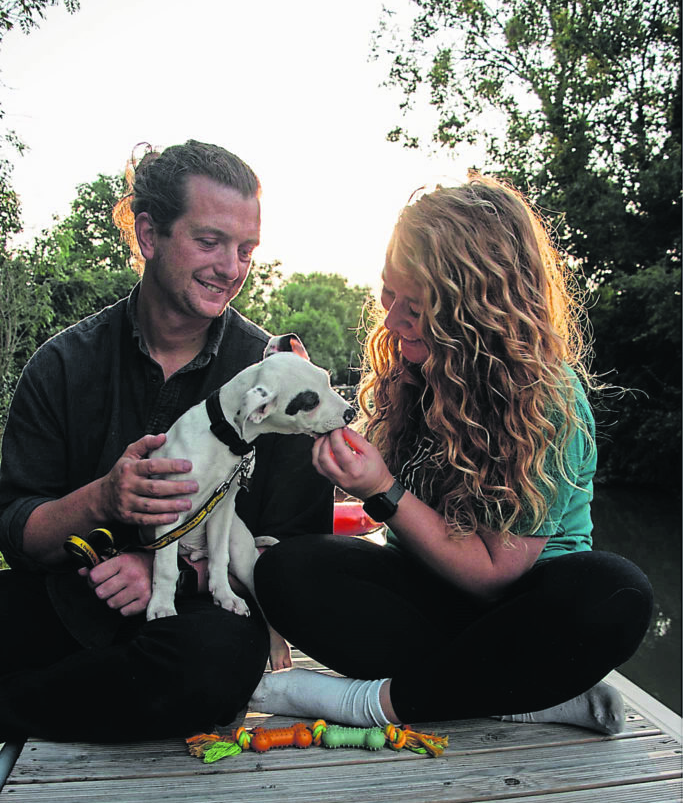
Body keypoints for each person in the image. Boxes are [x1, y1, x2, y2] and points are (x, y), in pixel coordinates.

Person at [251, 175, 654, 735]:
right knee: (287, 571)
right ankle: (518, 697)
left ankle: (370, 705)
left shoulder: (545, 398)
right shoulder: (410, 370)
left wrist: (382, 490)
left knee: (617, 593)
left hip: (522, 613)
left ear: (477, 313)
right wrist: (332, 446)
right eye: (389, 294)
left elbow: (491, 575)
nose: (391, 321)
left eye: (415, 307)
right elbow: (382, 498)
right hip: (430, 606)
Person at [0, 139, 332, 741]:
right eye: (209, 242)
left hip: (197, 625)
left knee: (212, 667)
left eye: (245, 250)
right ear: (149, 236)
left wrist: (167, 571)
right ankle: (87, 695)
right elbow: (16, 531)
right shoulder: (64, 363)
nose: (231, 268)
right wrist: (101, 500)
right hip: (69, 602)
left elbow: (298, 554)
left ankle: (25, 705)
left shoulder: (274, 375)